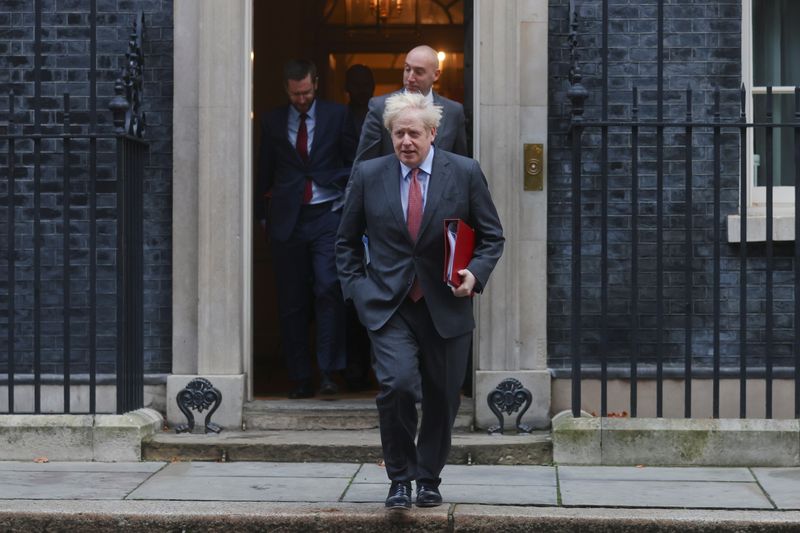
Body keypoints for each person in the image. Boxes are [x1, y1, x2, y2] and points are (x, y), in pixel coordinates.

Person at [336, 92, 504, 510]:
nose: (405, 141)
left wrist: (475, 274)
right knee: (397, 385)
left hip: (446, 304)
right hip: (390, 304)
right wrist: (358, 291)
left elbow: (491, 236)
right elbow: (345, 242)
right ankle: (400, 478)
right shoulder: (369, 174)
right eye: (398, 134)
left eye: (413, 133)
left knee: (442, 396)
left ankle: (428, 477)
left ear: (433, 133)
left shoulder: (464, 172)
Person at [256, 59, 356, 399]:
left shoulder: (336, 115)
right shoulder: (271, 121)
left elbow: (352, 161)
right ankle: (300, 376)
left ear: (316, 84)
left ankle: (329, 373)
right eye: (296, 93)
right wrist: (261, 216)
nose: (302, 99)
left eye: (308, 92)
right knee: (292, 300)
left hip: (328, 213)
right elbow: (264, 170)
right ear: (287, 89)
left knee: (329, 289)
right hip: (288, 219)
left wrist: (345, 199)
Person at [354, 45, 468, 163]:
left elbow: (460, 163)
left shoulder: (454, 111)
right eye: (407, 69)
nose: (410, 78)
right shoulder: (380, 107)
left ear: (436, 75)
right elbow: (363, 163)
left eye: (418, 72)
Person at [343, 64, 377, 392]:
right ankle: (353, 367)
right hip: (345, 213)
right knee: (350, 295)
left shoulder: (384, 115)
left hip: (381, 216)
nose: (360, 87)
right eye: (355, 83)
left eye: (365, 83)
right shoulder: (339, 118)